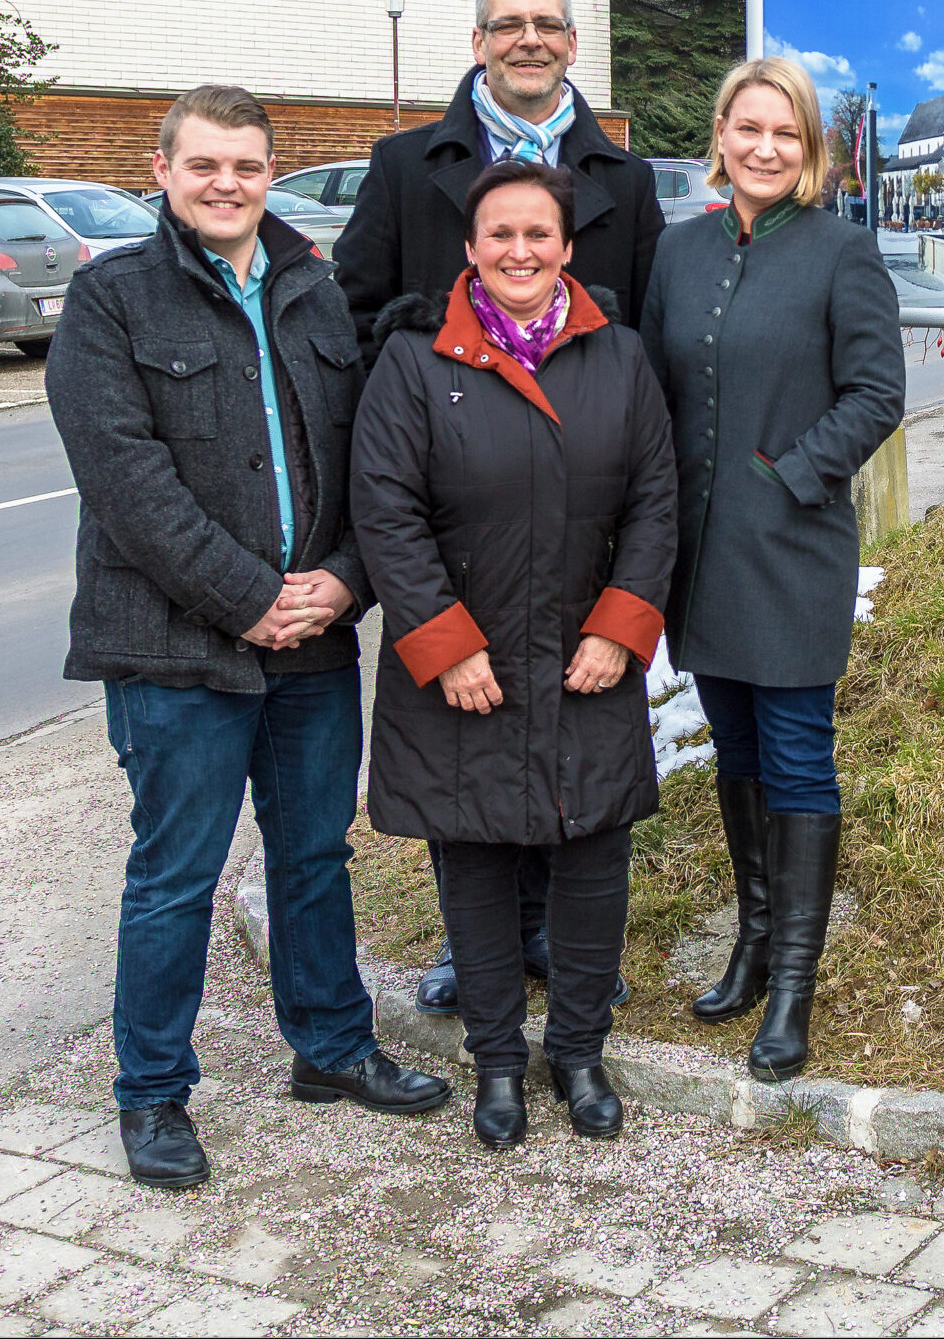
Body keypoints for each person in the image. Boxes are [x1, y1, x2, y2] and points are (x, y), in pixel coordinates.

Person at [48, 85, 450, 1190]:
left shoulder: (317, 292)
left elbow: (375, 458)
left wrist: (348, 579)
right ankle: (152, 1092)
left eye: (246, 165)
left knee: (314, 854)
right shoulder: (110, 300)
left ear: (271, 174)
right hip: (177, 647)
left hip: (313, 639)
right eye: (204, 164)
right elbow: (127, 481)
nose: (226, 183)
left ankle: (332, 1047)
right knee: (175, 873)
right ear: (163, 171)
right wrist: (248, 597)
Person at [333, 0, 667, 1017]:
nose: (530, 39)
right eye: (508, 23)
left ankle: (560, 941)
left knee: (571, 724)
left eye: (548, 24)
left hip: (578, 506)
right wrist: (411, 391)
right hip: (457, 497)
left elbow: (647, 342)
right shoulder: (405, 167)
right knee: (471, 740)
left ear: (571, 41)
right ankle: (476, 943)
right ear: (478, 41)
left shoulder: (624, 180)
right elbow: (351, 317)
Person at [351, 159, 679, 1148]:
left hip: (587, 658)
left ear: (567, 246)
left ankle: (578, 1051)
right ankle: (497, 1060)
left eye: (539, 233)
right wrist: (445, 644)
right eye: (500, 232)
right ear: (470, 246)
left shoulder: (619, 355)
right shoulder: (415, 361)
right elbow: (386, 510)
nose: (520, 250)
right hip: (469, 669)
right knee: (477, 863)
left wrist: (621, 626)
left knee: (593, 858)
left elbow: (656, 498)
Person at [640, 57, 903, 1083]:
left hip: (791, 546)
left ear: (811, 148)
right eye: (748, 128)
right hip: (700, 554)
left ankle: (794, 983)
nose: (764, 147)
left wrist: (791, 474)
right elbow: (653, 390)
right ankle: (753, 941)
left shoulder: (843, 252)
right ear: (720, 135)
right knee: (736, 748)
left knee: (796, 756)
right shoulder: (680, 251)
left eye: (785, 132)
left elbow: (875, 392)